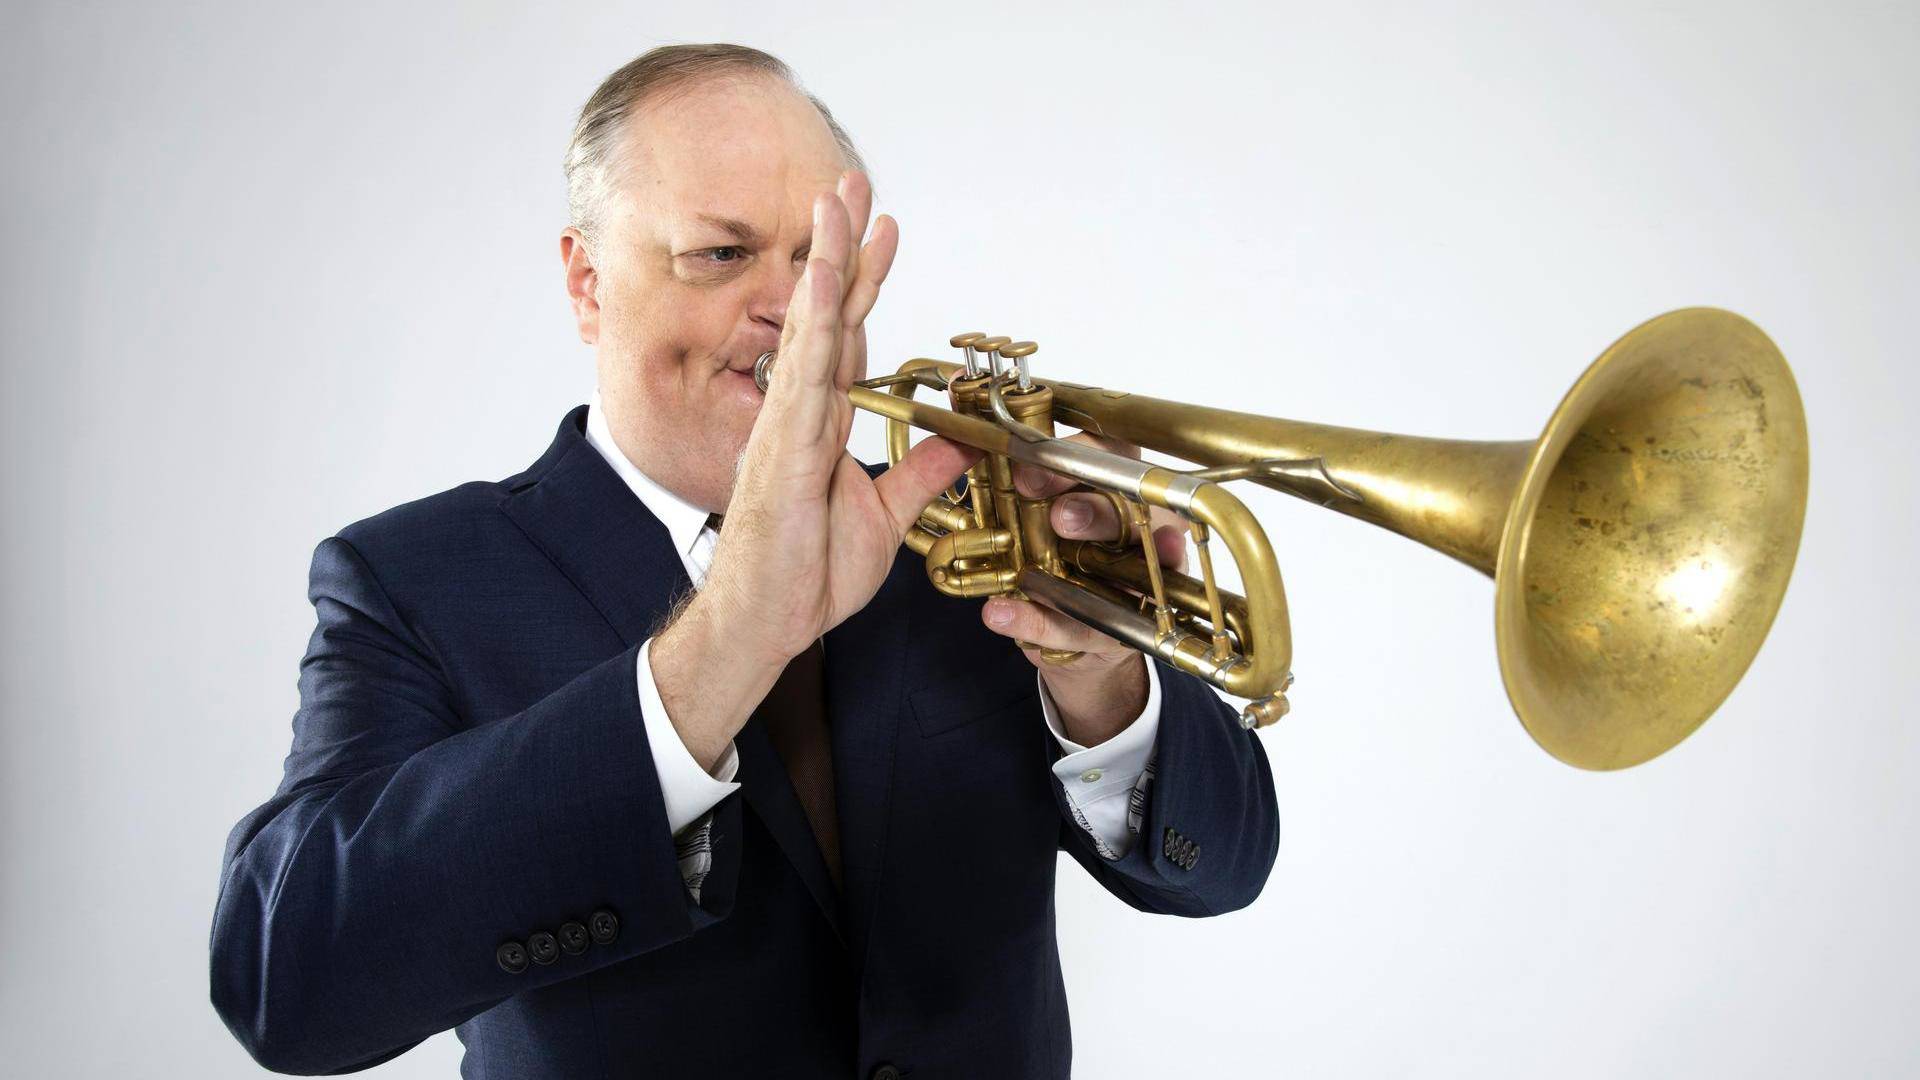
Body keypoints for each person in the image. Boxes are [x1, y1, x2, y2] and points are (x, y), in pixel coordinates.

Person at [209, 43, 1279, 1080]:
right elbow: (286, 982)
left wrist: (1102, 682)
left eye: (817, 260)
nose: (787, 307)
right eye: (722, 255)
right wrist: (728, 638)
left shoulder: (968, 531)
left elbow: (1225, 867)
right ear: (586, 282)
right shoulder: (417, 578)